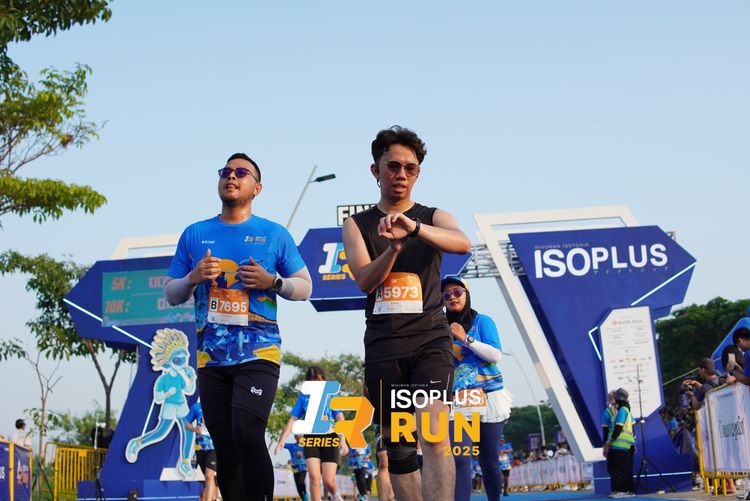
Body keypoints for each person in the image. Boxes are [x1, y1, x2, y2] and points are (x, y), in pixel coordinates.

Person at [164, 152, 312, 501]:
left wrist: (272, 282)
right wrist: (192, 277)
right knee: (225, 443)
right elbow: (171, 293)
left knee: (246, 431)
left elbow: (305, 287)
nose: (231, 176)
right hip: (211, 357)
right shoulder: (195, 233)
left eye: (241, 172)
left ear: (257, 188)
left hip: (259, 352)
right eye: (226, 171)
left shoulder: (273, 234)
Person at [343, 125, 471, 501]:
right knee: (398, 447)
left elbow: (462, 243)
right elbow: (365, 280)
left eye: (409, 168)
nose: (401, 174)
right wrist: (393, 250)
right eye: (393, 166)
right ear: (376, 170)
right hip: (384, 345)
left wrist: (414, 228)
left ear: (417, 174)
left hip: (430, 339)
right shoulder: (357, 224)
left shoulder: (433, 216)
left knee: (434, 433)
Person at [442, 276, 513, 501]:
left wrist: (466, 339)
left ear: (467, 294)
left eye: (457, 292)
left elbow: (496, 355)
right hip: (459, 399)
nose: (452, 297)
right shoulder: (438, 327)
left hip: (488, 396)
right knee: (460, 458)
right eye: (446, 295)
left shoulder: (483, 322)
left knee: (489, 461)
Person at [275, 366, 349, 501]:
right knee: (314, 477)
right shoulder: (304, 397)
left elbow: (340, 419)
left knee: (328, 481)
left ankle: (335, 495)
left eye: (318, 380)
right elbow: (293, 419)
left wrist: (343, 441)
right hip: (311, 438)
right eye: (312, 381)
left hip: (330, 438)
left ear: (323, 380)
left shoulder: (331, 395)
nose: (316, 384)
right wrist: (282, 440)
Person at [602, 388, 635, 498]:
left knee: (622, 469)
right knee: (619, 468)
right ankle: (621, 490)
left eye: (614, 397)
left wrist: (609, 441)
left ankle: (624, 490)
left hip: (620, 445)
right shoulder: (623, 410)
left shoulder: (622, 411)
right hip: (620, 445)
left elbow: (618, 428)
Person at [185, 400, 218, 501]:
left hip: (213, 447)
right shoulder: (196, 407)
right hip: (200, 448)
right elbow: (186, 424)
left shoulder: (218, 406)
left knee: (209, 476)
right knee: (209, 479)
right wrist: (194, 429)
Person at [283, 437, 309, 501]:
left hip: (303, 468)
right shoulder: (292, 446)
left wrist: (303, 454)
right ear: (295, 437)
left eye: (300, 435)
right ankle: (303, 499)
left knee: (301, 481)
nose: (298, 437)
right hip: (295, 470)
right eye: (297, 435)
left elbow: (312, 454)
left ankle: (305, 494)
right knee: (298, 486)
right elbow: (282, 444)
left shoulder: (305, 446)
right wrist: (283, 435)